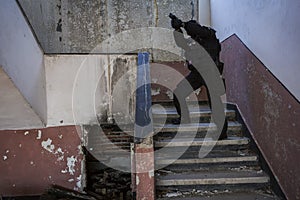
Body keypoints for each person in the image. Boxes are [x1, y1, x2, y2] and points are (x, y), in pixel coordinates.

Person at [170, 14, 228, 140]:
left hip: (211, 73)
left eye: (192, 27)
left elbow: (196, 29)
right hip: (197, 74)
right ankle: (184, 118)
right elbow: (181, 43)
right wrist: (177, 29)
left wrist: (185, 25)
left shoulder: (209, 35)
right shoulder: (193, 42)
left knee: (215, 103)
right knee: (178, 93)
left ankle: (222, 133)